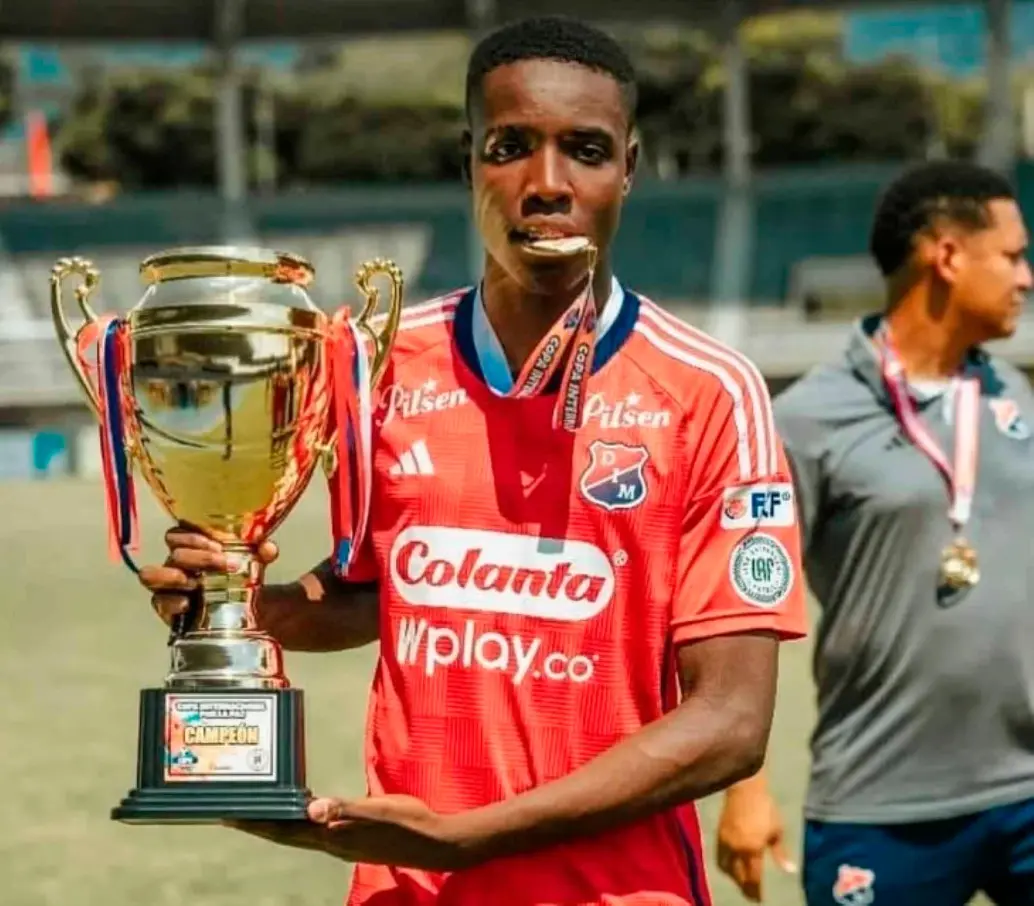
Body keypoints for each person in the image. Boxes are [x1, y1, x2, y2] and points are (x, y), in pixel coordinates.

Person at [140, 15, 808, 906]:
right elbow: (381, 589)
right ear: (468, 162)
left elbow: (731, 722)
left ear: (630, 172)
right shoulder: (374, 361)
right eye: (510, 147)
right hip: (410, 889)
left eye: (586, 150)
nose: (546, 184)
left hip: (616, 889)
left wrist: (472, 838)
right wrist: (237, 608)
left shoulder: (710, 392)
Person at [715, 160, 1034, 906]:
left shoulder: (1012, 393)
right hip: (879, 803)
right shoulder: (805, 421)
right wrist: (745, 789)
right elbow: (736, 617)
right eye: (1014, 256)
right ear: (946, 256)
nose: (1026, 277)